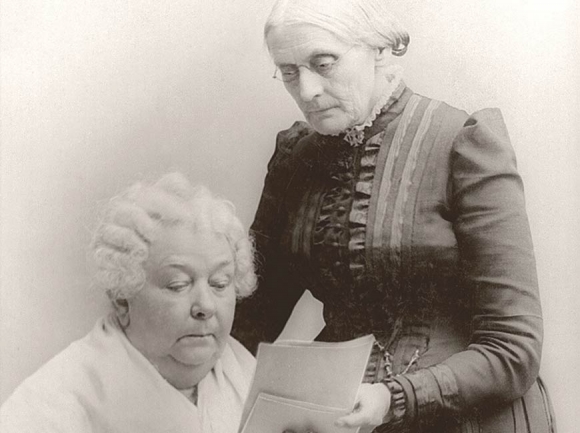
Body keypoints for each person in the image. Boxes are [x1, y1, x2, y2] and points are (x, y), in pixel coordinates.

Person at [232, 0, 556, 432]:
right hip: (339, 415)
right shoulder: (296, 161)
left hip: (467, 416)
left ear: (381, 51)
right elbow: (250, 321)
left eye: (323, 63)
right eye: (288, 71)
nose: (306, 89)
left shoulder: (461, 144)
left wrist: (394, 396)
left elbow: (514, 349)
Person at [1, 173, 257, 433]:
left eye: (220, 284)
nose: (206, 306)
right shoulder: (57, 401)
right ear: (122, 300)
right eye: (178, 285)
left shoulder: (244, 374)